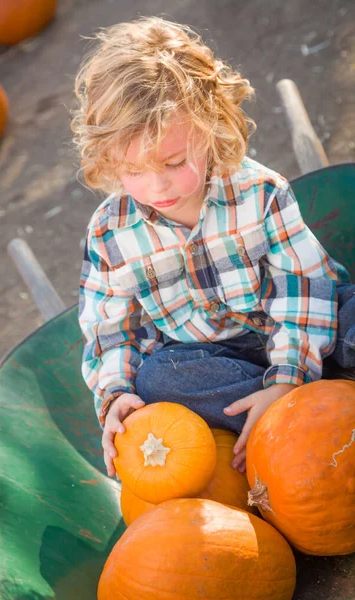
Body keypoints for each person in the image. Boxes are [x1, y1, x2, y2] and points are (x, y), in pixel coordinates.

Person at [72, 16, 354, 477]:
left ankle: (299, 400)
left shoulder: (258, 192)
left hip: (302, 322)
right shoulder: (110, 234)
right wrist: (115, 393)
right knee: (159, 378)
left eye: (174, 161)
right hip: (213, 361)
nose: (157, 184)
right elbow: (112, 332)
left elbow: (302, 289)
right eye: (133, 171)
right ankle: (301, 417)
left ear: (209, 127)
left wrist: (288, 375)